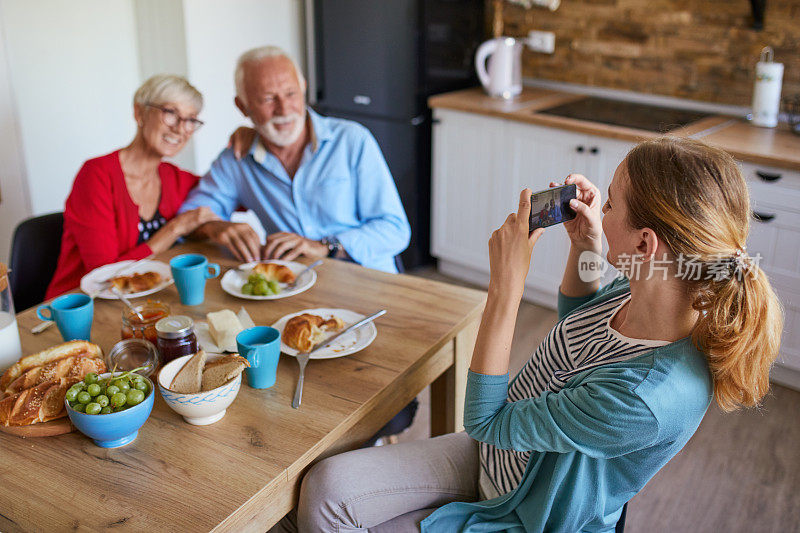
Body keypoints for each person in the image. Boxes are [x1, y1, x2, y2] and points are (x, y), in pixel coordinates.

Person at [270, 137, 783, 532]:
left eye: (611, 204)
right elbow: (577, 319)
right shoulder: (649, 284)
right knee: (326, 486)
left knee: (332, 508)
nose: (600, 209)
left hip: (524, 509)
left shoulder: (649, 396)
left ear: (647, 243)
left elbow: (486, 418)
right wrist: (587, 243)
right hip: (498, 454)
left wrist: (506, 286)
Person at [179, 46, 411, 273]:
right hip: (297, 290)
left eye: (291, 94)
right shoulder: (237, 159)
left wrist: (324, 247)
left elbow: (395, 230)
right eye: (268, 99)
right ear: (243, 106)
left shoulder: (352, 140)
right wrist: (215, 227)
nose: (283, 109)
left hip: (371, 280)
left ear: (303, 90)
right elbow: (190, 216)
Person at [46, 75, 217, 299]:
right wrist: (175, 229)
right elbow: (104, 275)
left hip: (139, 301)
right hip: (80, 306)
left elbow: (231, 186)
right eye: (170, 113)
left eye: (191, 120)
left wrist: (249, 136)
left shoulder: (174, 177)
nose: (180, 129)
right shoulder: (96, 175)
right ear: (139, 113)